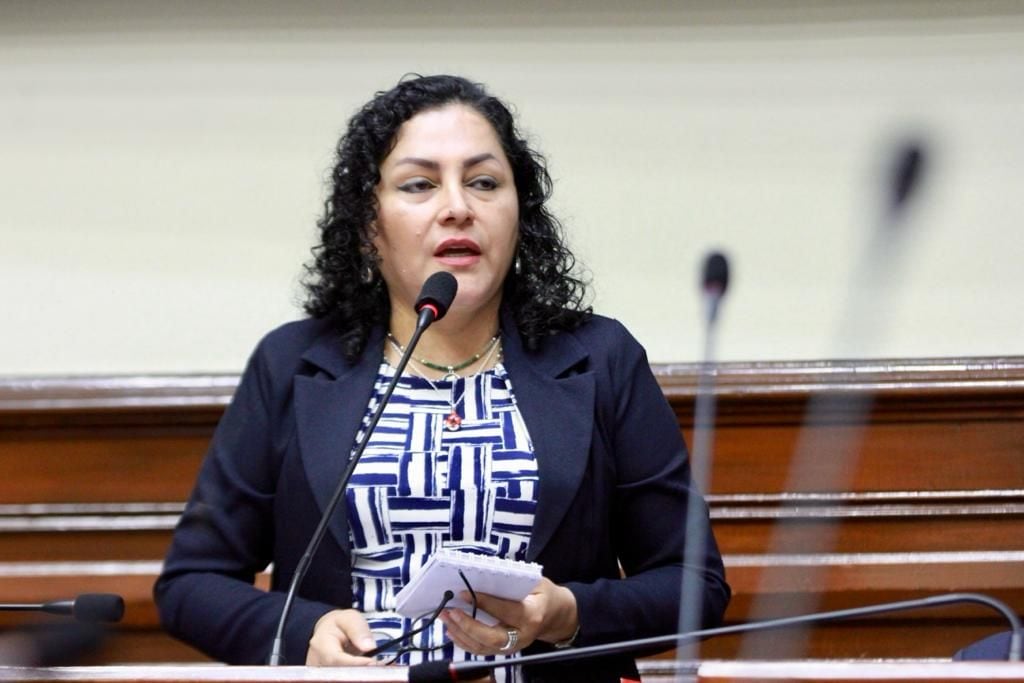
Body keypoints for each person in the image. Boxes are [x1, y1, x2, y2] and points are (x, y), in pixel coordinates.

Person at [154, 74, 730, 682]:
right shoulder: (294, 364)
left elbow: (694, 583)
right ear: (368, 226)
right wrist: (305, 634)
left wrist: (567, 614)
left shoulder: (599, 357)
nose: (458, 206)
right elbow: (192, 584)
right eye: (420, 184)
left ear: (518, 215)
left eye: (484, 182)